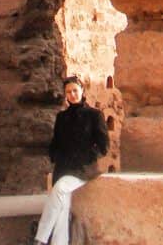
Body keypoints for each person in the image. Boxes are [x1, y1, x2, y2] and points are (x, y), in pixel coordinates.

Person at [34, 75, 109, 245]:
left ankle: (40, 238)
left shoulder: (94, 115)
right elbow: (55, 142)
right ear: (65, 95)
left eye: (75, 90)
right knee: (61, 209)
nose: (73, 94)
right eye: (69, 92)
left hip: (83, 168)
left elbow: (103, 145)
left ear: (82, 91)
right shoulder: (62, 117)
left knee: (59, 190)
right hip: (63, 167)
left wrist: (87, 156)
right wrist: (54, 156)